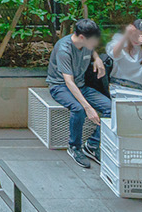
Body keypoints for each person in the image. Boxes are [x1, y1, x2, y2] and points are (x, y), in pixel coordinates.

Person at [45, 20, 113, 167]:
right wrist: (88, 107)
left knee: (111, 108)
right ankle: (75, 146)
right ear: (82, 37)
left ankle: (92, 145)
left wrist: (97, 58)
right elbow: (68, 81)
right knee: (79, 109)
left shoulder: (85, 43)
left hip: (81, 85)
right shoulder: (64, 49)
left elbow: (91, 49)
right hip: (61, 87)